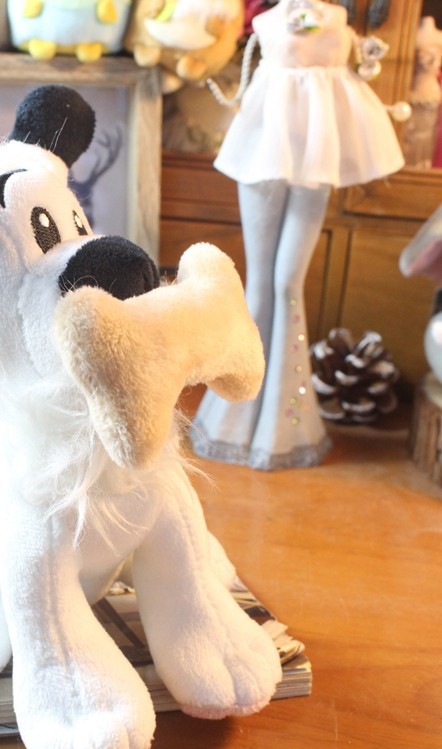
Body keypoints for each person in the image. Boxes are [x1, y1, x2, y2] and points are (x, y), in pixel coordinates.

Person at [191, 0, 405, 470]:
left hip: (317, 160)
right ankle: (233, 415)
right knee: (259, 284)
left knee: (288, 283)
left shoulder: (340, 25)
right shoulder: (268, 21)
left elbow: (350, 90)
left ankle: (283, 424)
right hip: (262, 155)